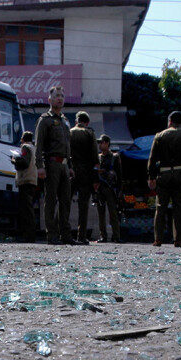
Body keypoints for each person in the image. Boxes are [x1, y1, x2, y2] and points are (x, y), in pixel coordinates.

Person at [35, 86, 80, 245]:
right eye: (56, 96)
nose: (59, 98)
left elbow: (68, 145)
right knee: (51, 200)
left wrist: (71, 166)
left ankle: (66, 235)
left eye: (61, 95)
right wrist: (39, 166)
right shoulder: (45, 120)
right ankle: (52, 236)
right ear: (49, 99)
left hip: (64, 165)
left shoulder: (65, 121)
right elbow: (39, 144)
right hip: (51, 164)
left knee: (66, 200)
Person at [147, 111, 181, 247]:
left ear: (169, 121)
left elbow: (152, 159)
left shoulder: (160, 135)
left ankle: (158, 239)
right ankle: (178, 239)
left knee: (160, 207)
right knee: (179, 208)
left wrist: (151, 177)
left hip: (163, 174)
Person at [69, 111, 98, 244]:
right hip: (85, 172)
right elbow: (94, 158)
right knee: (83, 205)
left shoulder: (69, 132)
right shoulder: (89, 133)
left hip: (70, 170)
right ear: (87, 123)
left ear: (76, 121)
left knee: (65, 202)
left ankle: (62, 232)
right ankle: (82, 235)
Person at [95, 134, 123, 243]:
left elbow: (119, 175)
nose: (100, 145)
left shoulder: (114, 157)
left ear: (107, 143)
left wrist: (120, 190)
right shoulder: (98, 157)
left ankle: (116, 236)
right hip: (100, 188)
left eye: (101, 143)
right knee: (101, 213)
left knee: (113, 213)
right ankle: (103, 236)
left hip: (111, 188)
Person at [14, 131, 37, 243]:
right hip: (32, 180)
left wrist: (15, 160)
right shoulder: (34, 148)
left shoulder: (25, 147)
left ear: (23, 139)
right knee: (29, 208)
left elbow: (24, 162)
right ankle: (30, 235)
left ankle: (27, 236)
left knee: (26, 210)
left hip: (25, 180)